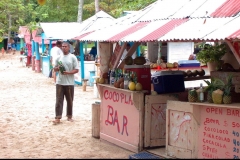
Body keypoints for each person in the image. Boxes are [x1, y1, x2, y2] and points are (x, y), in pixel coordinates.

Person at [52, 42, 79, 124]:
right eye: (62, 46)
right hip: (60, 82)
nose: (63, 48)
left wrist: (69, 73)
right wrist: (57, 68)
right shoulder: (58, 57)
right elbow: (54, 69)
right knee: (59, 100)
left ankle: (69, 116)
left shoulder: (72, 57)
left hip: (69, 82)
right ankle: (58, 117)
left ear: (69, 47)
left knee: (70, 100)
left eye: (65, 46)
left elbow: (76, 69)